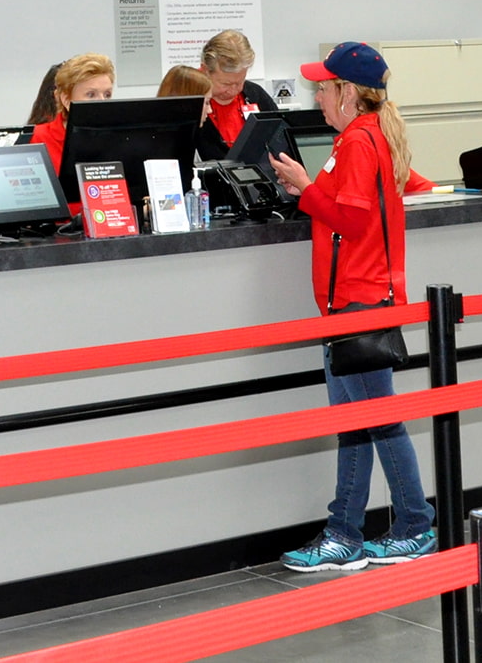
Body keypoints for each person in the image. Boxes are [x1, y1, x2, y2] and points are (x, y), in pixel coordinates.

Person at [268, 41, 437, 572]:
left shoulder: (358, 141)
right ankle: (345, 532)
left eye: (323, 87)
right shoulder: (370, 136)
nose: (317, 97)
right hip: (355, 299)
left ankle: (413, 524)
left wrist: (303, 186)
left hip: (358, 302)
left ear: (347, 92)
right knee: (358, 423)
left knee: (378, 422)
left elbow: (355, 221)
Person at [195, 29, 277, 160]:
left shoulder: (256, 94)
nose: (233, 90)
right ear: (205, 71)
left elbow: (279, 142)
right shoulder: (187, 100)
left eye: (239, 82)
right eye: (225, 84)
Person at [28, 53, 114, 174]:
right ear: (66, 100)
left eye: (107, 95)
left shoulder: (116, 138)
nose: (102, 102)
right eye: (91, 94)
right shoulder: (38, 138)